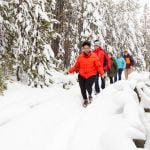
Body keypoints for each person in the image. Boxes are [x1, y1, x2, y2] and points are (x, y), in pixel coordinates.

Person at [68, 41, 104, 107]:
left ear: (90, 48)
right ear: (83, 49)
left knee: (88, 86)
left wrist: (102, 73)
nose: (86, 49)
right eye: (85, 48)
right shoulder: (80, 57)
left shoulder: (94, 56)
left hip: (92, 75)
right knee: (82, 88)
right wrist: (69, 71)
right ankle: (85, 99)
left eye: (87, 48)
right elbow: (76, 66)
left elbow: (98, 66)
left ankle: (90, 95)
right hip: (82, 75)